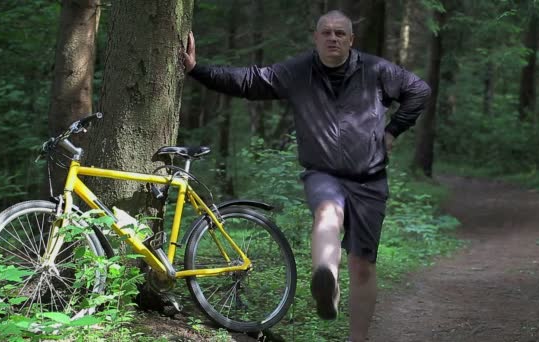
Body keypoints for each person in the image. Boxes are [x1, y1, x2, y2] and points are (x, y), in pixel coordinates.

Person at [182, 10, 430, 342]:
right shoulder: (297, 72)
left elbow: (419, 90)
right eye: (326, 32)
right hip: (322, 171)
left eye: (341, 33)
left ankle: (357, 336)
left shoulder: (376, 70)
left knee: (362, 265)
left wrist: (394, 131)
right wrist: (197, 70)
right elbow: (249, 81)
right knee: (327, 212)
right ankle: (325, 278)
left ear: (351, 40)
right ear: (316, 38)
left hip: (370, 178)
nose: (333, 38)